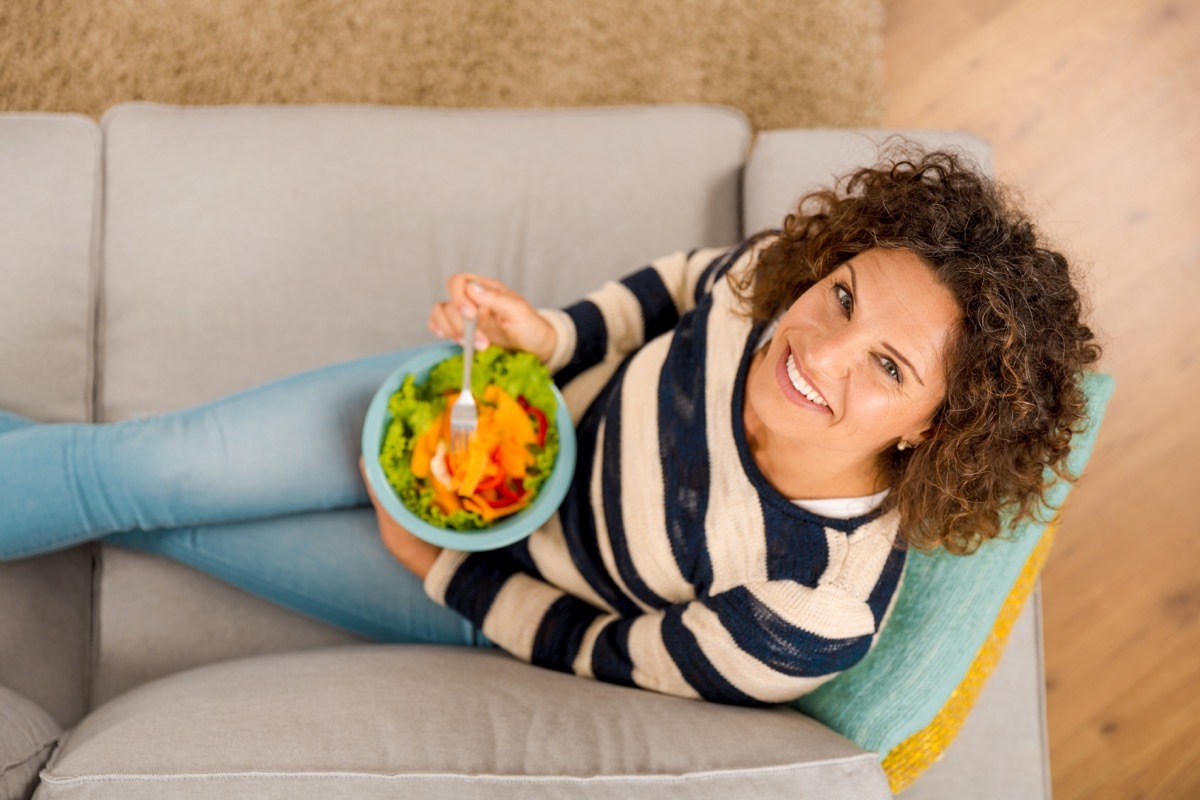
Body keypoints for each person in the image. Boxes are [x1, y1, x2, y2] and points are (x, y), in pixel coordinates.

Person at [0, 145, 1100, 706]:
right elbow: (683, 283)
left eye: (889, 367)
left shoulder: (814, 607)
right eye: (846, 296)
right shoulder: (783, 284)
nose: (818, 347)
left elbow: (617, 653)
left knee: (169, 516)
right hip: (494, 407)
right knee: (148, 467)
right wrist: (554, 337)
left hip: (492, 578)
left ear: (932, 429)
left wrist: (447, 571)